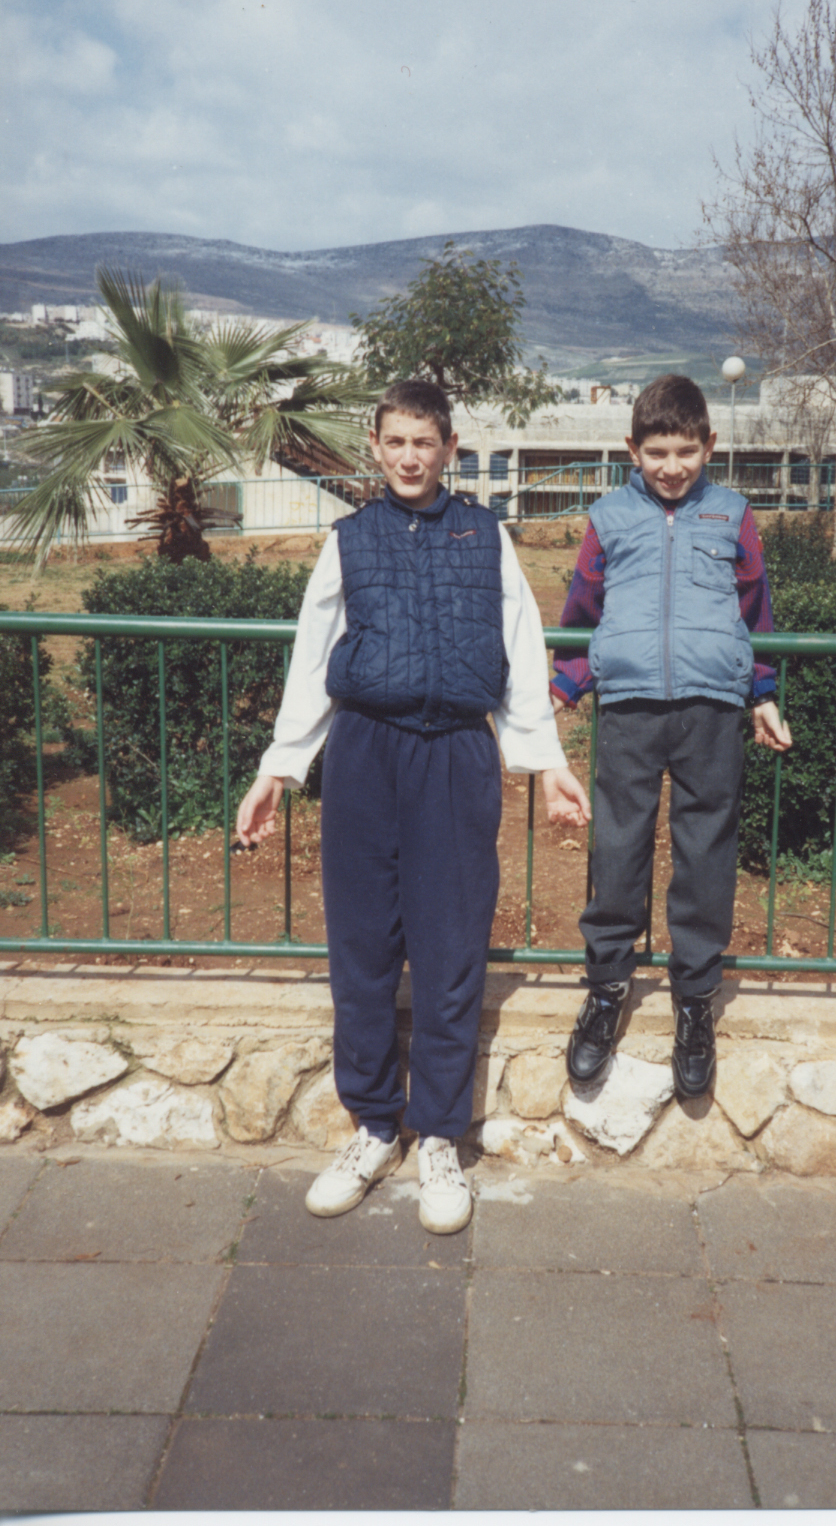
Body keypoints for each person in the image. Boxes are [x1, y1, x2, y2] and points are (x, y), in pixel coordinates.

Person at [237, 379, 589, 1234]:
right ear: (375, 444)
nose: (407, 458)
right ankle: (371, 1126)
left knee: (448, 946)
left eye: (423, 444)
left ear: (449, 448)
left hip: (457, 759)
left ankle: (438, 1136)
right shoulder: (348, 541)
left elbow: (520, 650)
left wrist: (546, 764)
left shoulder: (487, 538)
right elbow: (313, 662)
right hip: (364, 755)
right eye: (394, 442)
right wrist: (278, 770)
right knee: (361, 944)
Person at [550, 373, 791, 1098]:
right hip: (626, 706)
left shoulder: (733, 515)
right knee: (618, 845)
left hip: (711, 708)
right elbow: (580, 607)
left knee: (704, 849)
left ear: (709, 445)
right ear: (632, 448)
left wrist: (764, 693)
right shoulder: (609, 517)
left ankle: (694, 999)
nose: (671, 467)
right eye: (656, 452)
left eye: (686, 451)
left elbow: (757, 611)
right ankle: (606, 989)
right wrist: (566, 685)